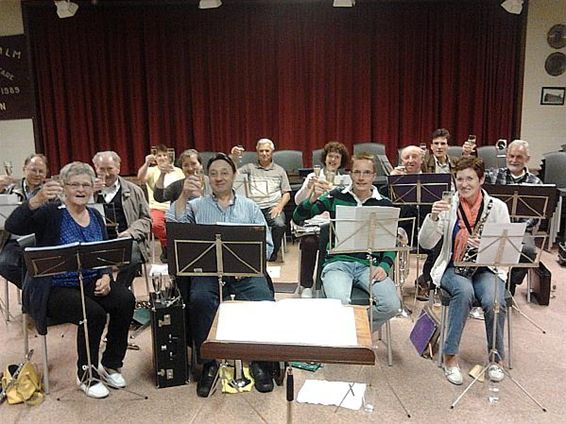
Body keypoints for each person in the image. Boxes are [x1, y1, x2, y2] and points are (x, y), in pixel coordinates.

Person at [5, 162, 135, 399]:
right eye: (74, 184)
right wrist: (36, 200)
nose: (81, 189)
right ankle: (86, 374)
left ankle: (111, 364)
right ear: (63, 187)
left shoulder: (95, 215)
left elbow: (102, 254)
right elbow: (13, 225)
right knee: (93, 313)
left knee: (125, 299)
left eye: (86, 184)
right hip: (53, 286)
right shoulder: (51, 212)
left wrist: (105, 274)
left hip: (88, 280)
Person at [167, 153, 275, 398]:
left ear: (234, 175)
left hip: (244, 273)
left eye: (224, 172)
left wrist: (246, 266)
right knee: (200, 300)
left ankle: (260, 362)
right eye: (213, 173)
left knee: (263, 300)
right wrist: (184, 195)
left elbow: (267, 245)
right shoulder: (196, 206)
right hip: (208, 271)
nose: (219, 178)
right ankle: (210, 363)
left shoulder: (250, 207)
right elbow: (174, 224)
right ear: (207, 177)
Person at [419, 156, 509, 386]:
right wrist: (433, 217)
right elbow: (426, 243)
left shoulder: (497, 207)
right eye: (459, 179)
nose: (464, 184)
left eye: (470, 178)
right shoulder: (448, 206)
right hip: (453, 267)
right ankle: (450, 357)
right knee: (464, 293)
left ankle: (496, 358)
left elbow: (506, 249)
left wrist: (487, 247)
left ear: (481, 179)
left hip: (486, 268)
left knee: (494, 298)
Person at [293, 153, 400, 331]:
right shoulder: (335, 196)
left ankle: (354, 332)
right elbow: (298, 218)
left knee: (391, 305)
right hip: (338, 263)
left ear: (374, 176)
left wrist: (385, 266)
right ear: (350, 174)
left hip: (370, 265)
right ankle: (350, 335)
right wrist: (310, 199)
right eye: (357, 172)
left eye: (366, 173)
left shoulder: (385, 203)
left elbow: (391, 243)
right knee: (339, 303)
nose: (361, 177)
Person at [294, 141, 349, 298]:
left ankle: (325, 284)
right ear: (325, 158)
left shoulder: (345, 180)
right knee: (309, 243)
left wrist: (335, 191)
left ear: (341, 160)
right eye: (330, 156)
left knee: (333, 244)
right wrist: (308, 188)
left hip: (334, 225)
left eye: (336, 157)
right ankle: (306, 285)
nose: (333, 160)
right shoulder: (314, 176)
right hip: (313, 222)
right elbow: (298, 201)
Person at [486, 139, 542, 295]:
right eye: (511, 156)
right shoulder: (493, 175)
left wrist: (517, 229)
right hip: (495, 227)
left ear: (527, 159)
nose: (513, 160)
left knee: (529, 251)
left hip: (522, 229)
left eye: (519, 157)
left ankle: (510, 284)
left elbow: (535, 216)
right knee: (483, 246)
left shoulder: (535, 182)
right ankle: (487, 281)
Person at [92, 151, 151, 288]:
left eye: (110, 169)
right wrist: (91, 195)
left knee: (134, 257)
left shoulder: (134, 190)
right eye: (101, 169)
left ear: (118, 168)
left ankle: (119, 290)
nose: (106, 174)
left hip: (125, 238)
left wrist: (130, 232)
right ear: (95, 168)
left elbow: (146, 219)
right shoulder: (85, 191)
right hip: (96, 241)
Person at [237, 138, 291, 262]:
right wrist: (235, 158)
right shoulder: (249, 168)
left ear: (272, 151)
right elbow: (232, 175)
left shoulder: (280, 170)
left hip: (272, 206)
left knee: (279, 225)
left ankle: (272, 253)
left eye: (267, 150)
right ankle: (249, 254)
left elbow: (286, 193)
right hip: (252, 207)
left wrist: (279, 207)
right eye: (261, 151)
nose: (264, 153)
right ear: (257, 152)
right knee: (239, 224)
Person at [0, 154, 49, 289]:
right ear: (24, 169)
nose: (37, 174)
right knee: (4, 264)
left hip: (39, 240)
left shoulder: (50, 192)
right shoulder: (9, 189)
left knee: (39, 267)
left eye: (41, 171)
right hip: (13, 240)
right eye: (33, 170)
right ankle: (33, 293)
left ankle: (32, 297)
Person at [137, 145, 184, 261]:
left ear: (169, 158)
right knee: (156, 225)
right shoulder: (152, 170)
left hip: (176, 206)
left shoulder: (178, 171)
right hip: (157, 207)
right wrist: (147, 163)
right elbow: (140, 178)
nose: (162, 158)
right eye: (159, 155)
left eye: (164, 155)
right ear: (155, 158)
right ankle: (168, 246)